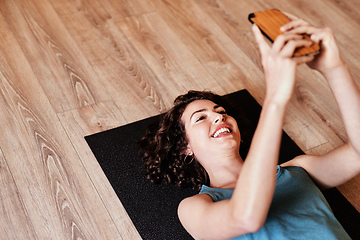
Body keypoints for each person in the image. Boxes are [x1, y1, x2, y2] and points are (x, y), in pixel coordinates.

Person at [139, 12, 360, 239]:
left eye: (221, 112)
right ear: (185, 147)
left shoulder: (299, 170)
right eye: (200, 118)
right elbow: (247, 217)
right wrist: (275, 97)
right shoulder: (194, 207)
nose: (218, 118)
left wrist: (334, 67)